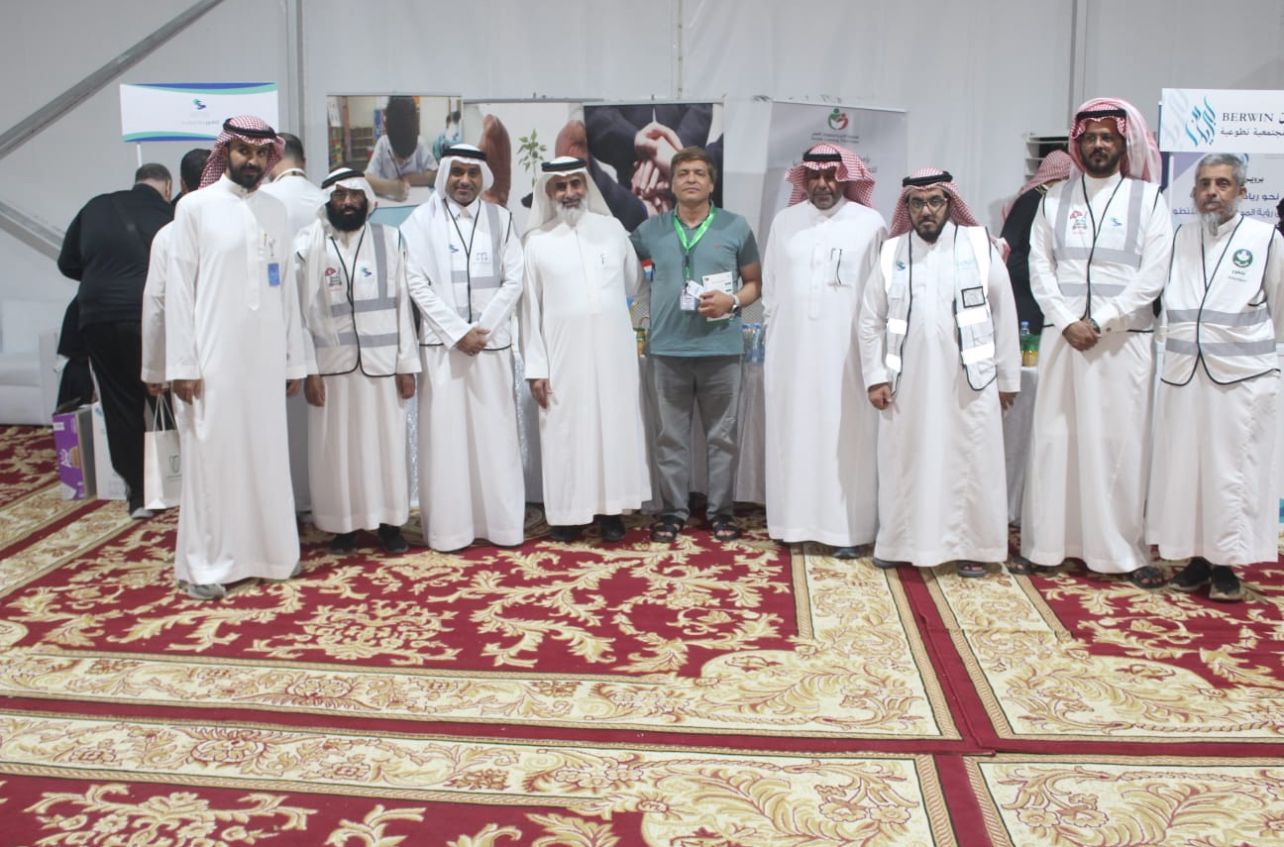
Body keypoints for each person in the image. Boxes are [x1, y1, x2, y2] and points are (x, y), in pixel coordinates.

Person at [1018, 98, 1174, 586]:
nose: (1099, 144)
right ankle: (1047, 547)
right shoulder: (1053, 199)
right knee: (1056, 442)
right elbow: (1039, 268)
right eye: (1090, 137)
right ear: (1077, 143)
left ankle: (1121, 554)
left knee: (1118, 447)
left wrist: (1100, 321)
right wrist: (1067, 321)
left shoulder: (1148, 200)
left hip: (1122, 343)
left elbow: (1152, 276)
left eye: (1108, 136)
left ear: (1124, 144)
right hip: (1064, 340)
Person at [165, 116, 307, 600]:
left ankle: (272, 554)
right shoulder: (195, 208)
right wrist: (183, 364)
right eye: (243, 150)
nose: (252, 160)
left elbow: (287, 291)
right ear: (224, 152)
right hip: (213, 359)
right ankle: (204, 566)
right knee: (214, 459)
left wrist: (294, 360)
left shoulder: (274, 209)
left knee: (266, 454)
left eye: (261, 152)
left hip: (264, 359)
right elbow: (179, 292)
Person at [859, 169, 1020, 576]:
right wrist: (875, 377)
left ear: (950, 202)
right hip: (905, 387)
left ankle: (974, 548)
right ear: (907, 207)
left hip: (968, 384)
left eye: (934, 201)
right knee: (904, 462)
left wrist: (1007, 379)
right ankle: (899, 543)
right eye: (917, 203)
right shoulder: (892, 251)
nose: (926, 211)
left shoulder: (979, 244)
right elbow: (869, 319)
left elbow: (1004, 313)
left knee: (971, 463)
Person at [1149, 153, 1284, 602]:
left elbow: (1280, 307)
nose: (1212, 192)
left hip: (1241, 380)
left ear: (1241, 192)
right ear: (1193, 192)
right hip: (1185, 376)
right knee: (1187, 472)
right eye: (1204, 184)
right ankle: (1195, 559)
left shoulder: (1265, 239)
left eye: (1222, 184)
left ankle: (1226, 565)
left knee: (1231, 474)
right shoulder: (1181, 236)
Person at [629, 146, 761, 543]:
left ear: (711, 183)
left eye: (699, 173)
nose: (691, 179)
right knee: (669, 437)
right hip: (666, 350)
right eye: (683, 173)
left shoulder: (736, 227)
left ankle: (721, 513)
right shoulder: (650, 231)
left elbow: (755, 283)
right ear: (671, 184)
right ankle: (673, 512)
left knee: (722, 436)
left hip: (722, 349)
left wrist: (732, 301)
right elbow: (624, 273)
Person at [760, 143, 885, 557]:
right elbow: (771, 289)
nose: (822, 184)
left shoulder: (870, 223)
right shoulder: (785, 222)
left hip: (847, 356)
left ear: (845, 178)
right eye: (813, 176)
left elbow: (878, 297)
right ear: (803, 180)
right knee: (794, 434)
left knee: (846, 437)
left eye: (831, 176)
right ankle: (793, 524)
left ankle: (848, 531)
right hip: (792, 354)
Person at [400, 145, 525, 551]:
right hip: (443, 349)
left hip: (490, 346)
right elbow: (416, 284)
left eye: (473, 173)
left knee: (495, 437)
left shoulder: (501, 219)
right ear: (444, 176)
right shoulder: (419, 222)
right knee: (447, 441)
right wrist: (457, 332)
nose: (465, 181)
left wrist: (482, 329)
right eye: (457, 172)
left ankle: (501, 526)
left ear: (483, 177)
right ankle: (450, 530)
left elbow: (515, 279)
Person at [519, 157, 650, 542]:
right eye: (560, 186)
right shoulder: (537, 242)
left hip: (614, 355)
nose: (569, 192)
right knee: (565, 432)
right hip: (562, 358)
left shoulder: (612, 230)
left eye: (576, 183)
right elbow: (528, 311)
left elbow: (636, 285)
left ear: (586, 187)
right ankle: (568, 516)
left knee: (614, 428)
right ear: (548, 192)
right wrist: (536, 367)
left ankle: (612, 512)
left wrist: (637, 335)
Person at [295, 169, 419, 554]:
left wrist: (406, 364)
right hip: (331, 369)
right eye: (339, 196)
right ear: (328, 201)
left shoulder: (390, 240)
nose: (347, 202)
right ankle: (343, 527)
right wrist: (309, 370)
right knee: (336, 452)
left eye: (355, 195)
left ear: (368, 201)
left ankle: (389, 525)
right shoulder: (308, 244)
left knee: (386, 448)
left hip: (383, 367)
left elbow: (404, 306)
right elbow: (299, 315)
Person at [57, 163, 173, 518]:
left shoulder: (95, 206)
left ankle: (138, 495)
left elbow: (68, 263)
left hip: (98, 316)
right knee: (166, 396)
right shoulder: (170, 214)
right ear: (167, 187)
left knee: (119, 402)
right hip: (148, 314)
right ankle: (176, 482)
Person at [260, 132, 326, 515]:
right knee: (319, 423)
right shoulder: (326, 199)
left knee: (281, 423)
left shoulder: (264, 202)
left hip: (277, 328)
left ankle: (286, 503)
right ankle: (321, 498)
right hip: (327, 332)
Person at [999, 150, 1073, 328]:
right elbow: (1010, 250)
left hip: (1035, 287)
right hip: (1025, 290)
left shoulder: (1037, 197)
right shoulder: (1034, 200)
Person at [366, 96, 438, 201]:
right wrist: (389, 187)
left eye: (408, 156)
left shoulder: (420, 143)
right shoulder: (383, 143)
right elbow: (365, 179)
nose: (403, 161)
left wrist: (408, 178)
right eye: (398, 155)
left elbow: (436, 176)